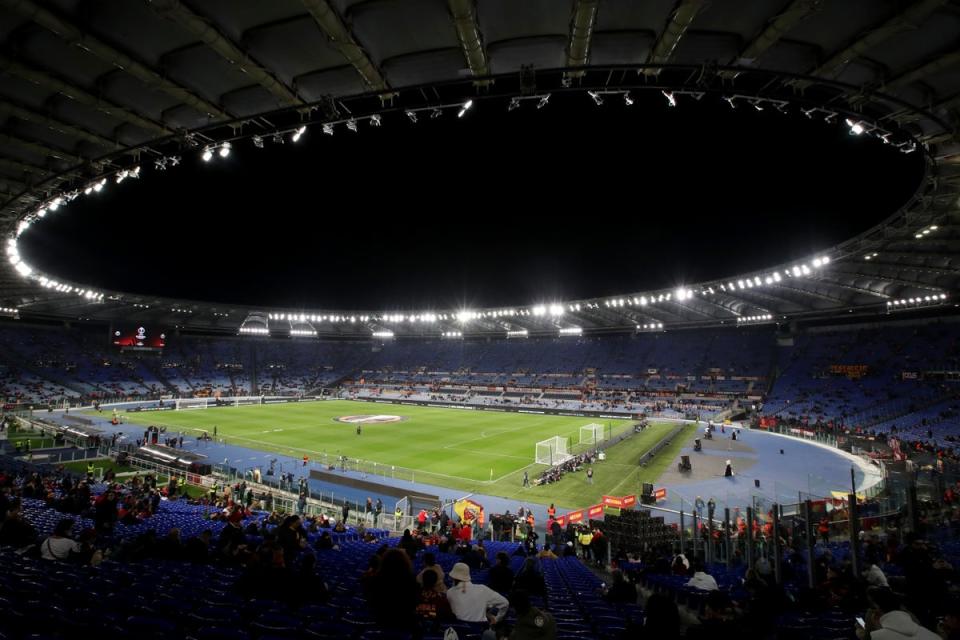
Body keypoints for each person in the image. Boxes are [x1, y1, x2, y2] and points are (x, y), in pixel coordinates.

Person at [858, 587, 940, 640]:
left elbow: (867, 637)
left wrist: (860, 632)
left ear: (877, 609)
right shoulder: (934, 636)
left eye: (872, 605)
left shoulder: (876, 636)